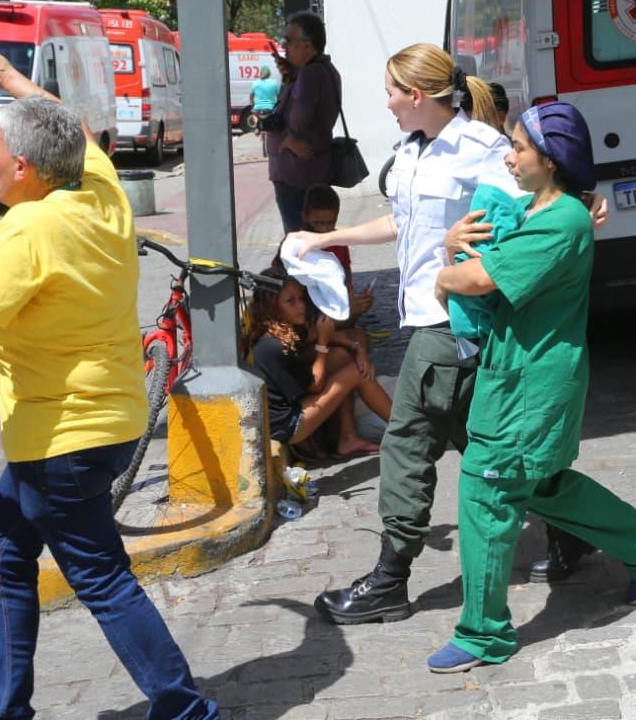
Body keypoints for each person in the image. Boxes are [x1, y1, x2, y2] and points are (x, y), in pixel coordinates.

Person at [0, 37, 218, 719]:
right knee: (1, 548)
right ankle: (7, 708)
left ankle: (184, 710)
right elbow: (75, 129)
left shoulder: (27, 228)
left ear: (22, 167)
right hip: (105, 420)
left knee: (102, 578)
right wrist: (5, 75)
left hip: (62, 437)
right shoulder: (100, 192)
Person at [294, 43, 605, 626]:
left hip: (456, 320)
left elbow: (536, 207)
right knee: (482, 444)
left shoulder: (482, 150)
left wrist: (584, 212)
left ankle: (390, 578)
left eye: (390, 91)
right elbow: (404, 220)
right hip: (428, 311)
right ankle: (573, 528)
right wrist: (325, 241)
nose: (384, 103)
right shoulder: (411, 149)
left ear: (415, 95)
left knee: (407, 441)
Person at [426, 101, 636, 673]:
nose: (509, 156)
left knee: (486, 495)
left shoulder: (560, 220)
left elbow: (482, 276)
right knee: (541, 486)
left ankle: (484, 634)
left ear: (551, 157)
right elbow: (509, 230)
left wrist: (444, 270)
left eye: (518, 147)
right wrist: (454, 239)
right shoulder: (550, 211)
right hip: (525, 380)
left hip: (525, 388)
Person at [248, 269, 388, 462]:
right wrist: (322, 340)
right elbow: (316, 385)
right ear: (272, 307)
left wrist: (358, 350)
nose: (301, 307)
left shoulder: (285, 329)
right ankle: (407, 430)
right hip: (288, 425)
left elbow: (327, 336)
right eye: (291, 302)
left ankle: (347, 439)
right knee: (356, 372)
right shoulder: (273, 345)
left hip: (298, 406)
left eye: (301, 299)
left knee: (340, 356)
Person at [264, 11, 341, 233]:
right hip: (311, 169)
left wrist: (289, 139)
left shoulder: (310, 74)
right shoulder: (324, 70)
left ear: (307, 45)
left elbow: (300, 116)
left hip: (295, 173)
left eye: (289, 40)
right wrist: (291, 76)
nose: (284, 46)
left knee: (298, 239)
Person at [301, 184, 374, 322]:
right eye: (318, 223)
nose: (324, 229)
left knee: (359, 337)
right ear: (305, 216)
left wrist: (354, 299)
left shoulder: (339, 242)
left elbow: (346, 274)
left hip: (335, 306)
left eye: (330, 223)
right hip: (309, 312)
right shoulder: (297, 244)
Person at [250, 64, 280, 137]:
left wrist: (252, 104)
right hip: (270, 108)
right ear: (269, 74)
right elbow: (278, 96)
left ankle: (258, 128)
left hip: (258, 108)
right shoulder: (274, 83)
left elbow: (251, 96)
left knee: (253, 114)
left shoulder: (255, 83)